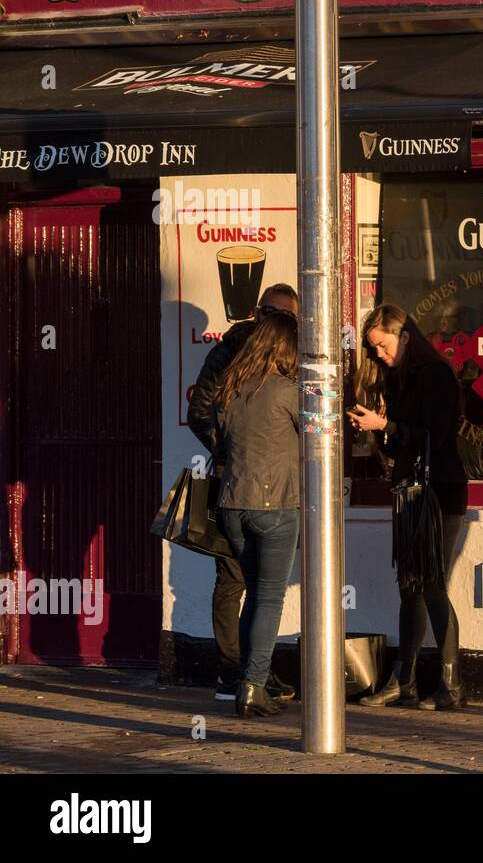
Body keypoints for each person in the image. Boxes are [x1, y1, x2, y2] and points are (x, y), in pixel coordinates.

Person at [348, 304, 468, 710]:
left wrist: (387, 427)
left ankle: (451, 684)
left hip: (440, 489)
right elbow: (404, 442)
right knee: (410, 585)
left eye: (382, 345)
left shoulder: (435, 374)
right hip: (410, 488)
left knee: (432, 581)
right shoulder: (398, 379)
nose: (379, 355)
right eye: (373, 349)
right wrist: (380, 429)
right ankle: (405, 680)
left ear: (404, 336)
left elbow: (438, 434)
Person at [187, 283, 299, 703]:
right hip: (246, 486)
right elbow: (200, 411)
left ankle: (256, 674)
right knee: (238, 581)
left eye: (286, 317)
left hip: (243, 490)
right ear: (256, 312)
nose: (276, 323)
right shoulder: (230, 352)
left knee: (254, 587)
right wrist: (233, 452)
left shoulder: (285, 357)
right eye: (271, 314)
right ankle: (234, 673)